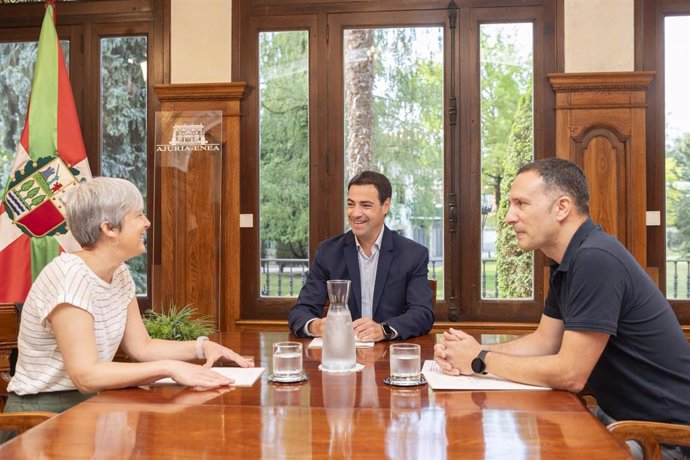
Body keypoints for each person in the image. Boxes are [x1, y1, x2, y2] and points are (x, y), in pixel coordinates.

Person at [434, 157, 690, 459]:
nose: (508, 217)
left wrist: (480, 359)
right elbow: (545, 341)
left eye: (521, 204)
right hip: (620, 423)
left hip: (664, 439)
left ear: (562, 207)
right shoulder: (569, 260)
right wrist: (472, 353)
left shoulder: (596, 259)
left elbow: (571, 374)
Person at [4, 177, 251, 416]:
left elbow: (142, 347)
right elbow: (86, 376)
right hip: (42, 415)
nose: (147, 223)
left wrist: (202, 347)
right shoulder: (70, 276)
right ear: (109, 228)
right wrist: (170, 368)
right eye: (139, 215)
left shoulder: (119, 272)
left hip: (91, 404)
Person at [288, 171, 434, 342]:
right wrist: (316, 326)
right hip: (342, 353)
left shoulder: (413, 255)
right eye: (351, 204)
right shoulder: (328, 252)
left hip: (388, 355)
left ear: (385, 206)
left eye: (365, 205)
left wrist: (383, 329)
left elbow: (422, 313)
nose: (355, 213)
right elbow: (300, 311)